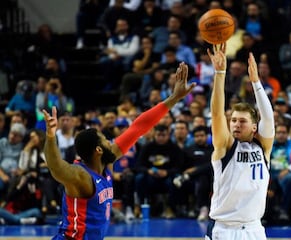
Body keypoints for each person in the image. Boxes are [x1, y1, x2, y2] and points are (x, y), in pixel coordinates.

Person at [42, 62, 195, 240]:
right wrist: (51, 136)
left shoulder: (108, 160)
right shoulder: (81, 176)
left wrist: (174, 98)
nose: (111, 141)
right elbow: (55, 166)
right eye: (106, 140)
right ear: (98, 149)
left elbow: (139, 127)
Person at [206, 44, 274, 240]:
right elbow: (217, 114)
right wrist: (220, 73)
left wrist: (256, 83)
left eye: (242, 121)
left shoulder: (263, 147)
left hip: (254, 229)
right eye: (233, 120)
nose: (235, 124)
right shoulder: (226, 146)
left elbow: (268, 119)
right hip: (223, 229)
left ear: (254, 127)